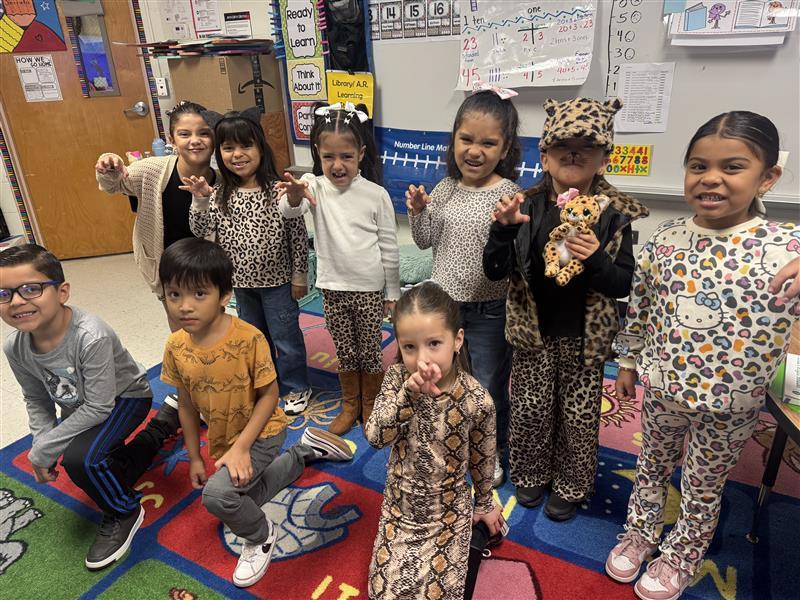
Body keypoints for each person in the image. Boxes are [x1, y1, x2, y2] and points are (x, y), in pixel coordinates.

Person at [605, 111, 800, 600]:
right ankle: (642, 532)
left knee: (703, 482)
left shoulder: (787, 245)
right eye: (697, 166)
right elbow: (641, 309)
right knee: (651, 464)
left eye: (732, 167)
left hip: (733, 404)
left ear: (769, 177)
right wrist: (627, 361)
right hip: (664, 387)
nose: (710, 178)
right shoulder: (665, 240)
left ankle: (682, 552)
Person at [483, 97, 649, 521]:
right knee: (530, 410)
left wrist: (595, 258)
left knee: (577, 417)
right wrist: (501, 233)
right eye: (562, 148)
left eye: (586, 148)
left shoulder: (614, 214)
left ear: (604, 157)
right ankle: (531, 471)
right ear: (544, 155)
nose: (573, 155)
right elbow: (494, 269)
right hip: (533, 333)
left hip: (585, 338)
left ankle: (572, 483)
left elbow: (622, 283)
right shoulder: (524, 204)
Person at [158, 237, 353, 588]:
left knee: (218, 497)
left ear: (224, 294)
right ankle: (305, 451)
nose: (184, 306)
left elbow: (270, 395)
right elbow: (185, 403)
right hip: (223, 438)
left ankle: (262, 536)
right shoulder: (175, 346)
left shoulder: (248, 339)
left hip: (262, 432)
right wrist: (194, 457)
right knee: (244, 495)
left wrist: (243, 447)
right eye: (174, 295)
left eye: (199, 294)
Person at [0, 244, 152, 570]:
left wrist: (48, 449)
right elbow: (37, 399)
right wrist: (42, 443)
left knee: (81, 459)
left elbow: (99, 406)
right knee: (107, 462)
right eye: (4, 293)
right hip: (83, 406)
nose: (16, 301)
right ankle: (160, 429)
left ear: (62, 291)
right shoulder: (15, 346)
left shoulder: (89, 335)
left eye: (31, 289)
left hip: (126, 396)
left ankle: (125, 511)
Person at [406, 87, 522, 487]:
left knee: (486, 386)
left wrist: (507, 226)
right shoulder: (444, 188)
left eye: (488, 142)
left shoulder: (508, 194)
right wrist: (419, 212)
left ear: (505, 149)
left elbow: (509, 256)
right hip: (444, 310)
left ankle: (491, 453)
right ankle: (445, 444)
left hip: (490, 310)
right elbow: (423, 240)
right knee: (442, 379)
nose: (475, 151)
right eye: (467, 139)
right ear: (453, 139)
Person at [364, 281, 501, 599]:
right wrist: (408, 397)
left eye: (434, 343)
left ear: (457, 340)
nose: (422, 358)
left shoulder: (477, 400)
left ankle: (477, 534)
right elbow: (374, 437)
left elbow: (484, 458)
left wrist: (484, 504)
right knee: (382, 595)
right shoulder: (397, 379)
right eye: (410, 347)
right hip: (400, 511)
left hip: (448, 514)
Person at [276, 102, 400, 436]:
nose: (337, 165)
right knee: (345, 350)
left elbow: (389, 247)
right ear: (317, 153)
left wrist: (392, 292)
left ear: (360, 154)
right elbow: (290, 212)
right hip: (332, 287)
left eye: (346, 156)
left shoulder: (376, 195)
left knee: (370, 350)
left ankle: (371, 402)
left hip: (370, 288)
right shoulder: (312, 187)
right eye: (329, 156)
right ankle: (350, 404)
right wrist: (292, 195)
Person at [180, 108, 312, 416]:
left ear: (260, 148)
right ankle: (265, 383)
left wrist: (299, 276)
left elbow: (297, 235)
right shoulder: (220, 193)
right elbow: (201, 233)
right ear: (219, 153)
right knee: (253, 338)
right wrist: (199, 198)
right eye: (228, 148)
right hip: (240, 284)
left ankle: (296, 385)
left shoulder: (277, 189)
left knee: (286, 337)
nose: (237, 154)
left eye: (246, 146)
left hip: (278, 283)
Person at [95, 100, 216, 331]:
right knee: (182, 329)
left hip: (208, 265)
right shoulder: (152, 170)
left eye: (204, 133)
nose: (195, 140)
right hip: (166, 265)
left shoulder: (222, 179)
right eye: (184, 134)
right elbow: (114, 183)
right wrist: (108, 163)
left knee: (213, 325)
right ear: (172, 140)